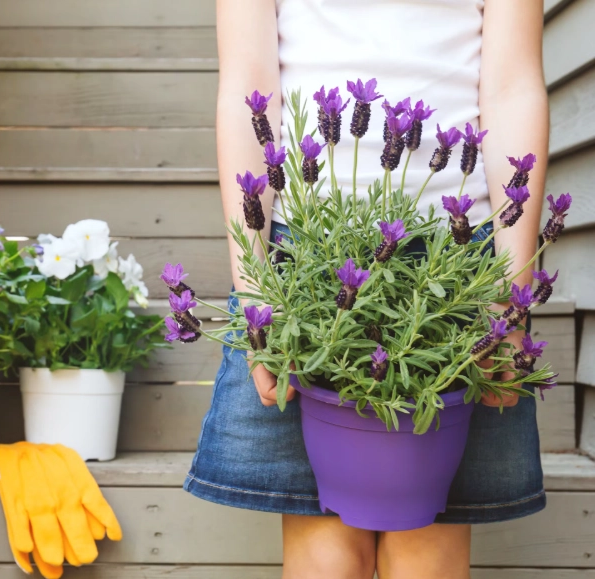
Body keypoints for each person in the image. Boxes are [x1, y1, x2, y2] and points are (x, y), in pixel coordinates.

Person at [183, 1, 548, 578]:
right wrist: (255, 285)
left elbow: (513, 89)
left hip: (455, 268)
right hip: (304, 257)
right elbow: (247, 89)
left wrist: (511, 299)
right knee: (325, 553)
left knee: (426, 552)